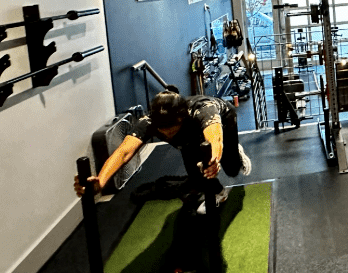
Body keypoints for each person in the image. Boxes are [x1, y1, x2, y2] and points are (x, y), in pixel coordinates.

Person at [75, 86, 252, 213]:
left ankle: (234, 150)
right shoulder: (149, 121)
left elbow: (215, 137)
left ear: (181, 119)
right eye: (163, 133)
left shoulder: (203, 109)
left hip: (224, 122)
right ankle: (219, 193)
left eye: (171, 131)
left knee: (232, 169)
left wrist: (214, 160)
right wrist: (100, 180)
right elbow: (123, 152)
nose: (167, 136)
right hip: (189, 140)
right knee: (196, 175)